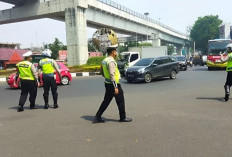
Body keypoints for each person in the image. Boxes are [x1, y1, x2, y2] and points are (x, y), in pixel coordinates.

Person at [94, 45, 132, 123]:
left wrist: (106, 78)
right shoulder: (111, 62)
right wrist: (115, 87)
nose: (116, 53)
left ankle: (98, 116)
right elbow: (112, 74)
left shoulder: (105, 60)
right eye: (116, 51)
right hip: (114, 84)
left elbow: (102, 72)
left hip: (107, 83)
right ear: (113, 52)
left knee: (106, 100)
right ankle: (122, 117)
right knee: (120, 100)